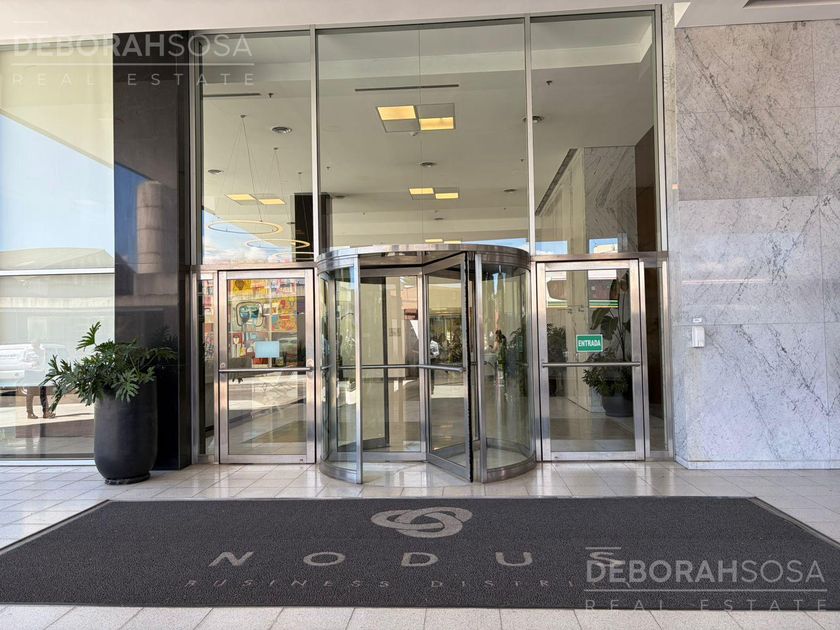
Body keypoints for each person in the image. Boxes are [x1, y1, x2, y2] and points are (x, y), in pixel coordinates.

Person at [23, 341, 54, 420]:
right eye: (34, 341)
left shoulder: (42, 350)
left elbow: (45, 361)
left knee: (43, 392)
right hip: (31, 373)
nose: (36, 343)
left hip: (40, 373)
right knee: (30, 393)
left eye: (37, 341)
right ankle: (30, 413)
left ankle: (46, 412)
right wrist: (31, 364)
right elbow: (21, 362)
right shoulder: (27, 350)